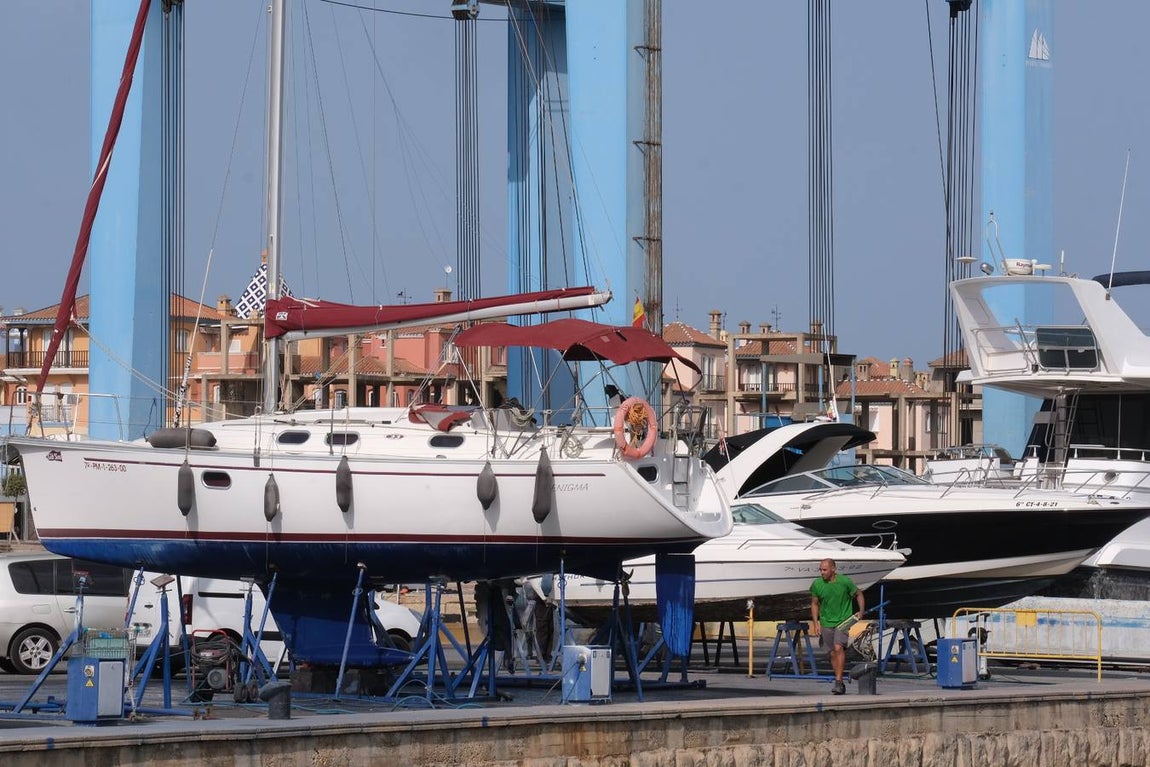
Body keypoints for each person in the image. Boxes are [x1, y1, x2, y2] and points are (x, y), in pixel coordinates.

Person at [810, 558, 865, 695]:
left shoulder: (844, 581)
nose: (822, 572)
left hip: (843, 620)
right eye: (820, 569)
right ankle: (839, 680)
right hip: (826, 622)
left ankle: (839, 681)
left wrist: (861, 611)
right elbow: (815, 604)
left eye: (824, 569)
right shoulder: (817, 584)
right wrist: (816, 623)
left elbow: (859, 594)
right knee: (832, 653)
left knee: (838, 647)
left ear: (833, 569)